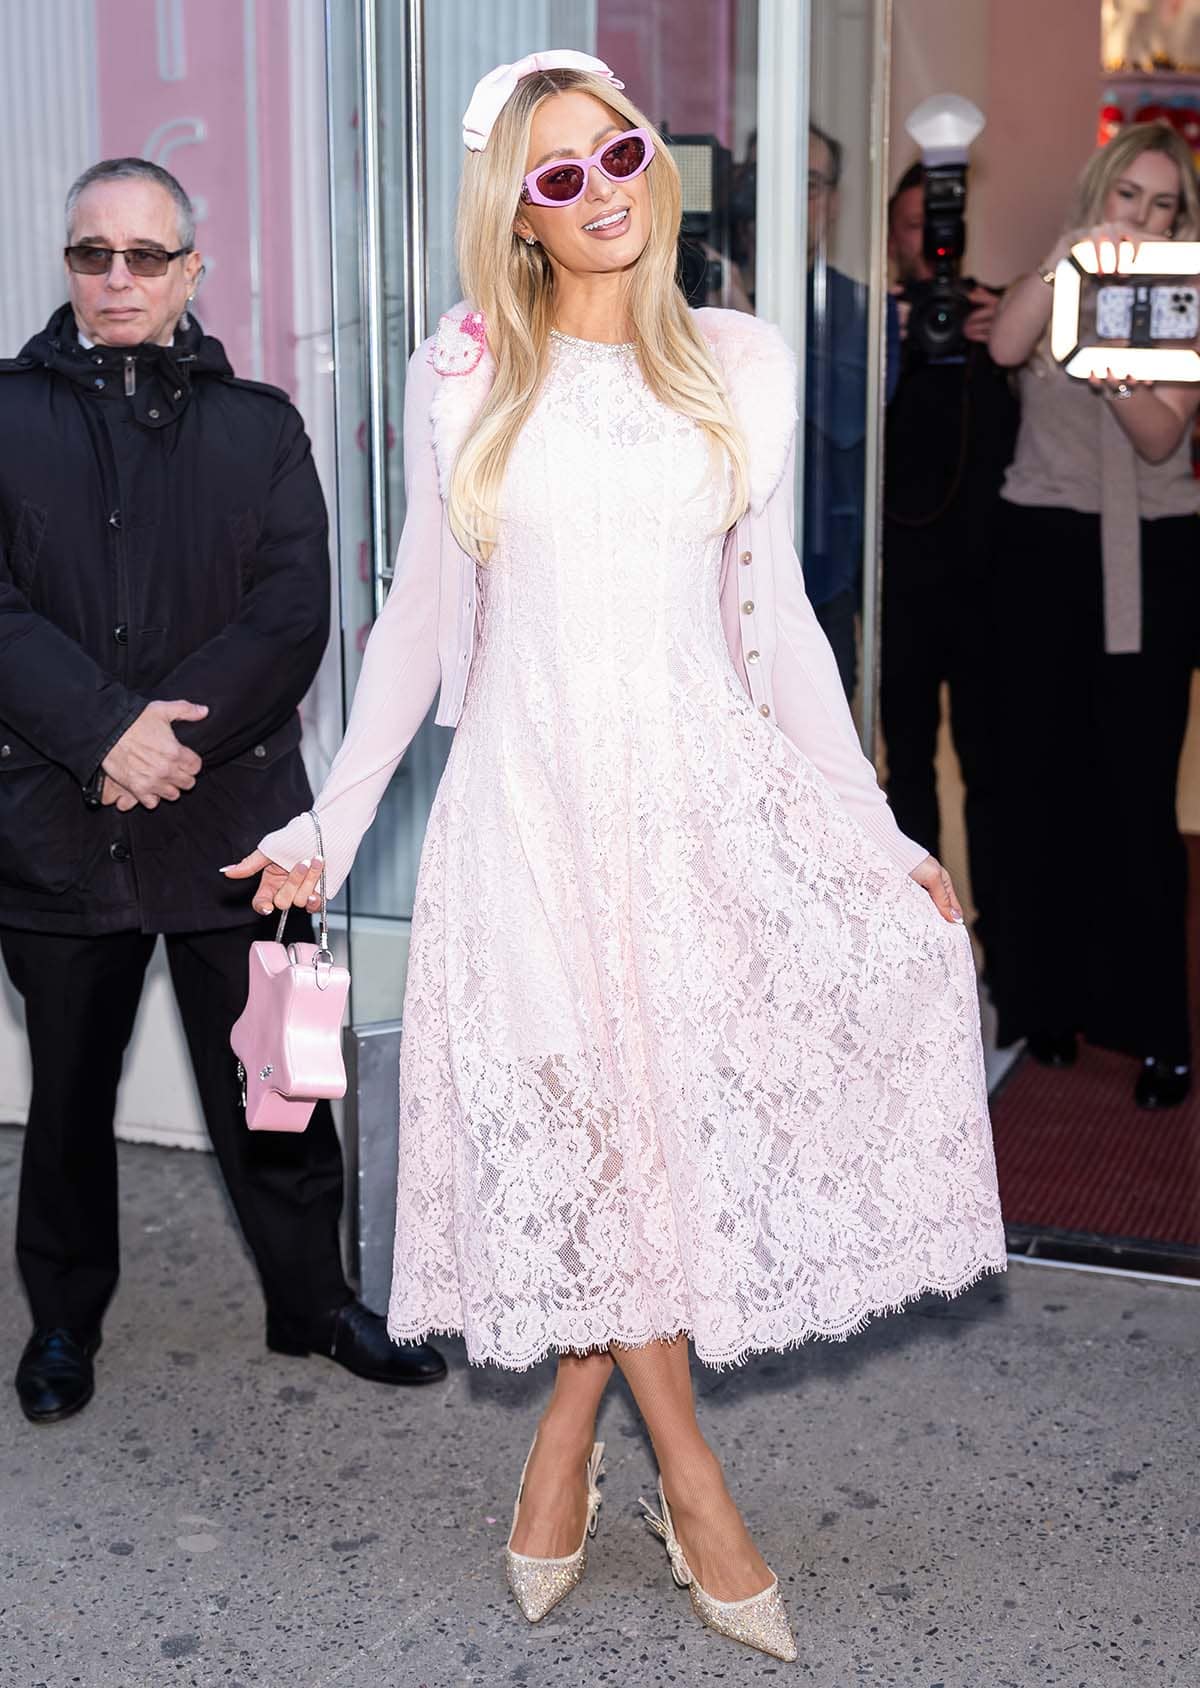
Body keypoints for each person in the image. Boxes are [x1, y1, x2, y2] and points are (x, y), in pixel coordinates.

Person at [227, 52, 1006, 1661]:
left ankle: (567, 1442)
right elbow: (414, 637)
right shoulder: (469, 384)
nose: (596, 191)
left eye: (617, 153)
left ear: (658, 162)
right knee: (597, 1136)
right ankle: (702, 1484)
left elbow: (775, 623)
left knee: (641, 1151)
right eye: (552, 176)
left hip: (695, 805)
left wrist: (877, 836)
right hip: (525, 811)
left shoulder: (739, 359)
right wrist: (332, 819)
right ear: (512, 215)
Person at [0, 157, 446, 1426]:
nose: (120, 277)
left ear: (193, 268)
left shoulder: (259, 424)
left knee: (280, 1080)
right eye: (97, 254)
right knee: (70, 1098)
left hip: (235, 826)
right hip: (53, 824)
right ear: (71, 266)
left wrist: (161, 738)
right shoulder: (3, 412)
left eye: (148, 254)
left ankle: (315, 1303)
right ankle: (63, 1322)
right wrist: (102, 734)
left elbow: (293, 609)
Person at [987, 121, 1200, 1107]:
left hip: (1152, 557)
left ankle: (1157, 1026)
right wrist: (1071, 261)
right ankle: (1048, 1004)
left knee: (1138, 798)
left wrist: (1114, 363)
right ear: (1100, 193)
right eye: (1131, 198)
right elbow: (1004, 343)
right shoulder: (1064, 263)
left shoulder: (1182, 299)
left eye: (1164, 206)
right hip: (1043, 551)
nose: (1145, 219)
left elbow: (1162, 438)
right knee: (1040, 786)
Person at [881, 162, 1020, 962]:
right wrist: (885, 348)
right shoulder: (872, 326)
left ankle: (1003, 947)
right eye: (909, 227)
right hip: (903, 583)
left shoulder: (990, 320)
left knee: (991, 767)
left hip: (988, 586)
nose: (923, 241)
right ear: (896, 240)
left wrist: (1009, 338)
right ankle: (923, 950)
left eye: (932, 227)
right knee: (907, 771)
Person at [804, 124, 901, 699]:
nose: (792, 199)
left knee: (828, 778)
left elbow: (851, 417)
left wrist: (750, 329)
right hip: (698, 587)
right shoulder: (688, 297)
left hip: (820, 577)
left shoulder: (864, 309)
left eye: (811, 184)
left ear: (835, 202)